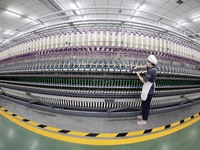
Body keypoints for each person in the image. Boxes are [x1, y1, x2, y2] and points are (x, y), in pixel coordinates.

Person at [134, 55, 157, 125]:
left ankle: (144, 120)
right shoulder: (152, 67)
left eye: (148, 61)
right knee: (143, 103)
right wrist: (138, 66)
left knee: (146, 105)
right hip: (148, 89)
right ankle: (142, 115)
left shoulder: (151, 71)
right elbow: (145, 66)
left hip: (149, 91)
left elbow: (143, 80)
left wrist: (138, 75)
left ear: (150, 62)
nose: (147, 62)